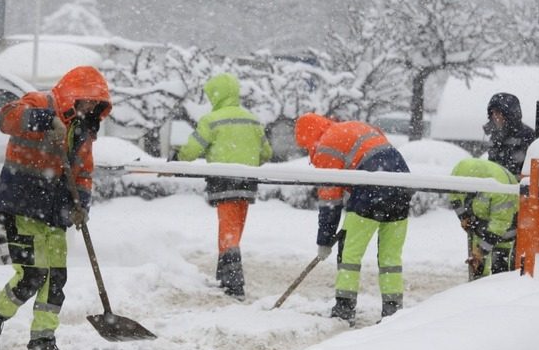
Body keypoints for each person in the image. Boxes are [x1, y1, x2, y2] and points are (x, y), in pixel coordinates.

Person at [0, 66, 112, 350]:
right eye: (86, 100)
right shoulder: (39, 102)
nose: (89, 107)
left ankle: (42, 343)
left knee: (54, 278)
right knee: (32, 276)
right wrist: (44, 120)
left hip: (56, 211)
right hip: (22, 204)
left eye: (95, 104)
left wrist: (81, 205)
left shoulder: (83, 129)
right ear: (72, 95)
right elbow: (6, 119)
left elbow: (84, 172)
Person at [295, 113, 413, 326]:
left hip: (370, 186)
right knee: (391, 257)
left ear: (308, 137)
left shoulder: (325, 147)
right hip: (402, 181)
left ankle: (344, 309)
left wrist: (324, 240)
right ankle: (393, 311)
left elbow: (330, 201)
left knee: (349, 252)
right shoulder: (351, 127)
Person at [176, 73, 273, 299]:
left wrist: (177, 157)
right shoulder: (253, 119)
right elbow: (266, 153)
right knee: (235, 229)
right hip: (248, 181)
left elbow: (191, 151)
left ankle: (233, 282)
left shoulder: (212, 120)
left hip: (222, 180)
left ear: (215, 95)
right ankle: (225, 276)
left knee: (227, 230)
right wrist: (247, 159)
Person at [449, 157, 519, 280]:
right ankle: (478, 287)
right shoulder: (460, 174)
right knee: (478, 268)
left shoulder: (500, 188)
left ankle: (501, 290)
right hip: (481, 223)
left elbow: (500, 223)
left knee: (500, 269)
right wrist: (463, 217)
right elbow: (453, 196)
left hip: (506, 229)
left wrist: (481, 252)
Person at [483, 92, 535, 177]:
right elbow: (492, 165)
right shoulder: (495, 136)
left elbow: (531, 171)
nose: (494, 116)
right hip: (497, 185)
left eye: (497, 112)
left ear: (509, 114)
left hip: (517, 187)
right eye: (492, 113)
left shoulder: (527, 136)